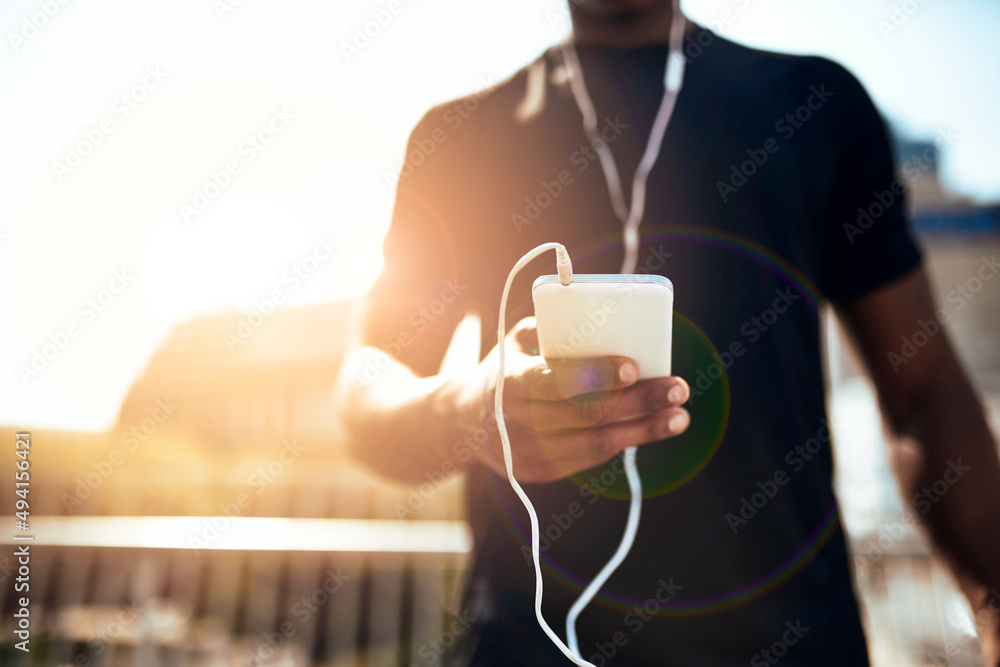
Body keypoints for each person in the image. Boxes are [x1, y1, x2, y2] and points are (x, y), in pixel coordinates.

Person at [337, 0, 1000, 664]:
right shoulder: (457, 139)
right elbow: (366, 383)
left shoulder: (816, 107)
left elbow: (923, 390)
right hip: (529, 644)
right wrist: (467, 408)